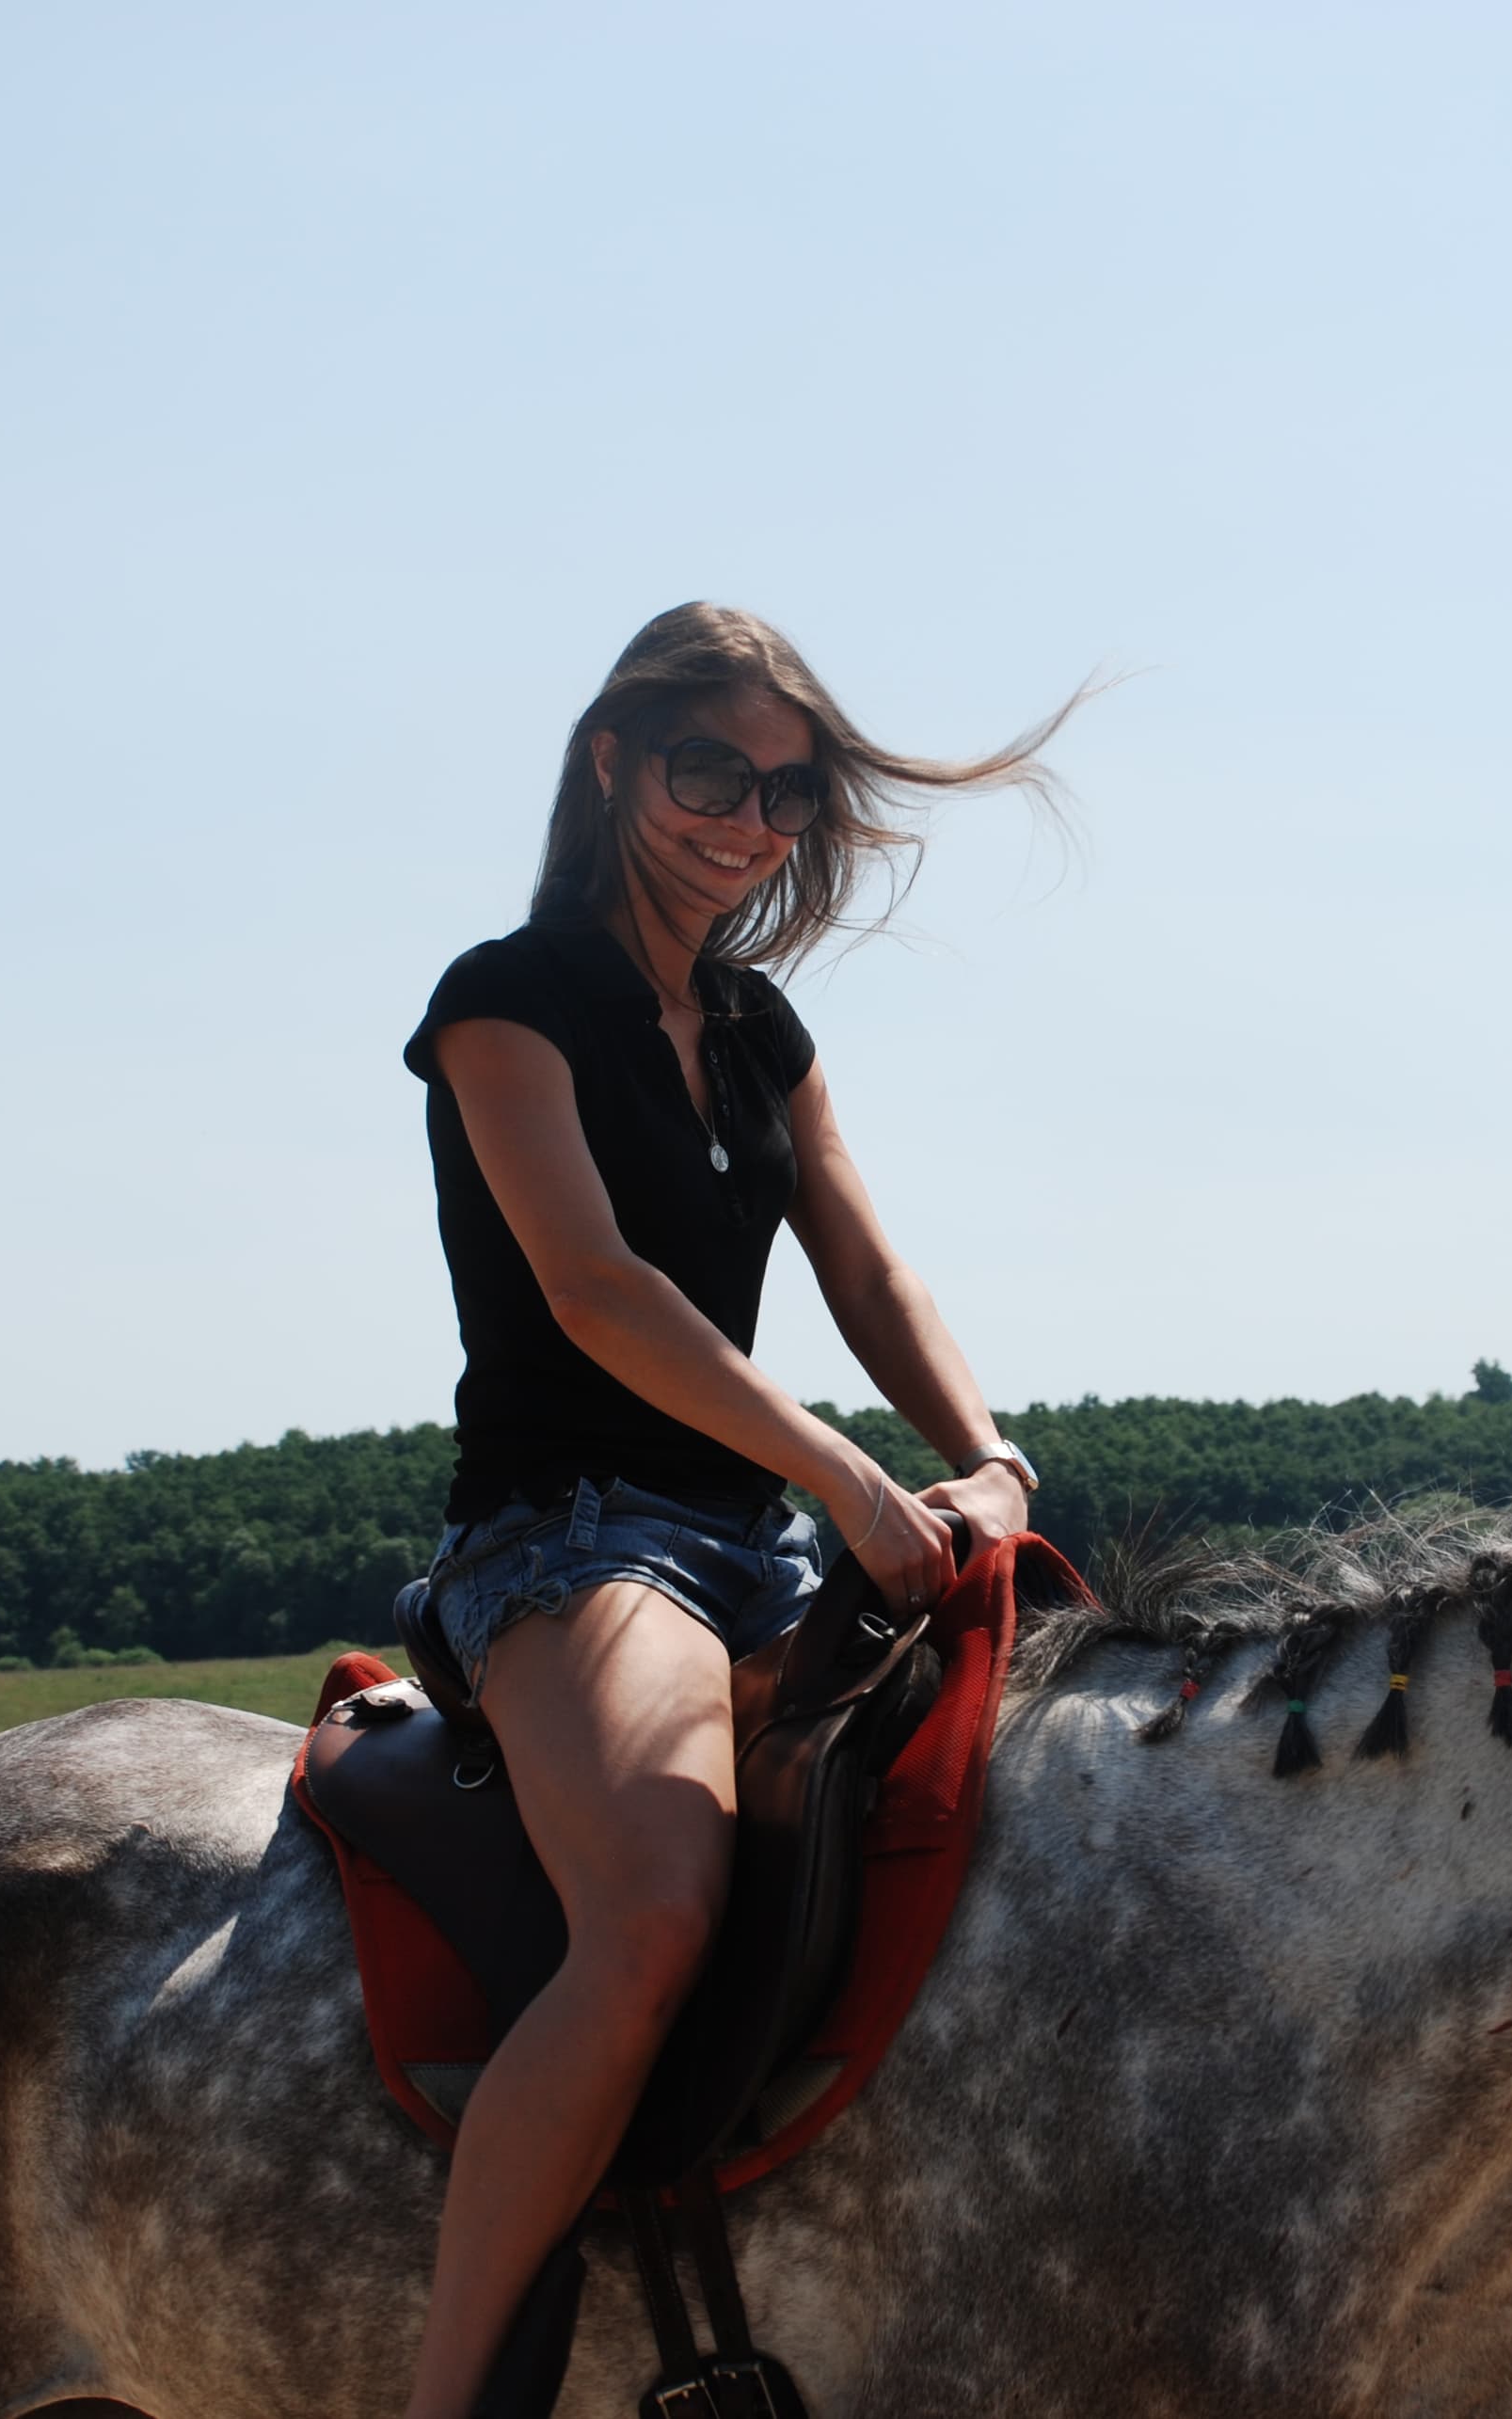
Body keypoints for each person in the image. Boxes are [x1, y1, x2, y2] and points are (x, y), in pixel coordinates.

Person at [392, 603, 1077, 2418]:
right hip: (565, 1534)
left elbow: (866, 1267)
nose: (750, 822)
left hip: (753, 1550)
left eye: (788, 793)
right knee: (652, 1919)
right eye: (713, 772)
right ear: (613, 759)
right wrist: (848, 1475)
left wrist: (990, 1456)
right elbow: (596, 1289)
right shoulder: (505, 1002)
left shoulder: (764, 1031)